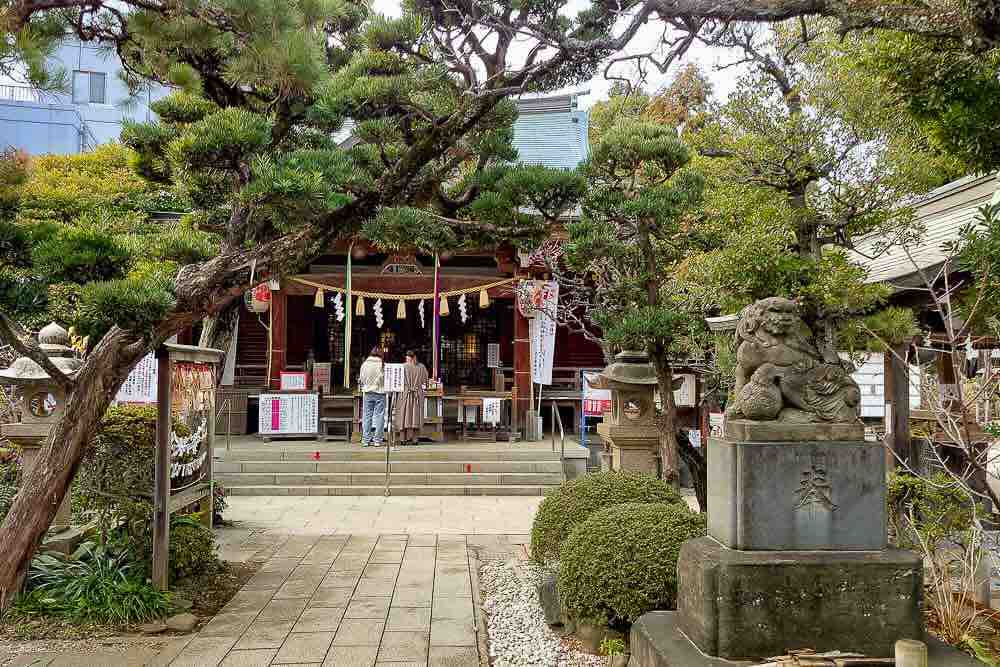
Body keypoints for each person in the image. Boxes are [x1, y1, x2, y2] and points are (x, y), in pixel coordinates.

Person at [393, 350, 429, 445]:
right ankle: (415, 440)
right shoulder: (421, 367)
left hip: (405, 393)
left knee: (403, 415)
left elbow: (396, 381)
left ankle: (402, 439)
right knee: (416, 416)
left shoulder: (403, 367)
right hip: (417, 393)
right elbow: (425, 381)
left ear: (407, 357)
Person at [359, 347, 386, 447]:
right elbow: (384, 379)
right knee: (380, 416)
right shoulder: (382, 364)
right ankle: (377, 440)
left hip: (367, 392)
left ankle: (365, 440)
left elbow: (361, 378)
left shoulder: (365, 364)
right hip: (380, 392)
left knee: (367, 416)